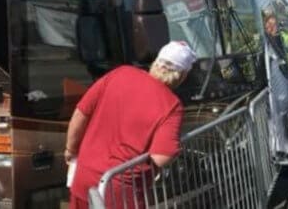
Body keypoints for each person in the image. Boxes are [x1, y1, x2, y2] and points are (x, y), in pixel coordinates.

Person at [65, 41, 196, 209]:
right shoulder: (172, 105)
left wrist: (71, 150)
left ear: (156, 62)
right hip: (120, 193)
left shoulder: (120, 73)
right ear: (182, 75)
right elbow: (161, 157)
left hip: (85, 179)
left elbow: (80, 114)